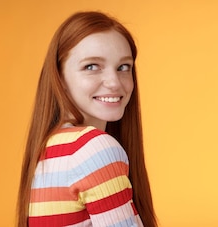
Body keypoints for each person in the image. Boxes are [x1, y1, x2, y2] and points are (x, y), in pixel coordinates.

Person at [16, 12, 157, 227]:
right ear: (59, 77)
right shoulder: (93, 147)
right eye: (91, 66)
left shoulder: (49, 148)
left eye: (123, 67)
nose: (114, 82)